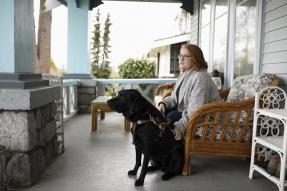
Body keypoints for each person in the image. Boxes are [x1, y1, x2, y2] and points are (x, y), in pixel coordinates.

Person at [157, 44, 221, 140]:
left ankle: (172, 148)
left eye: (186, 56)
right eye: (180, 55)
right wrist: (164, 103)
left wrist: (180, 127)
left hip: (206, 118)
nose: (181, 59)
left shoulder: (200, 77)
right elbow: (174, 97)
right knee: (163, 112)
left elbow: (195, 110)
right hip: (187, 112)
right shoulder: (184, 74)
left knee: (171, 116)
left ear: (195, 58)